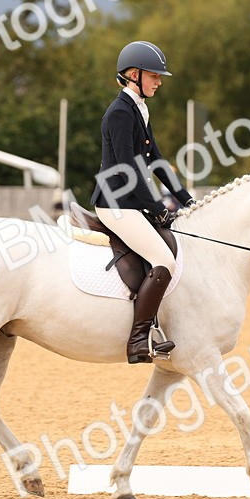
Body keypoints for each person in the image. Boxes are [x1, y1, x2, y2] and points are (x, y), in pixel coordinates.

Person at [90, 40, 195, 364]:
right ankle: (138, 340)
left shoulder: (138, 108)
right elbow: (129, 170)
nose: (159, 82)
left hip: (130, 201)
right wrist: (158, 208)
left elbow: (157, 161)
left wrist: (188, 201)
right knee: (165, 260)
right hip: (116, 203)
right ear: (133, 75)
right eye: (154, 76)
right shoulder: (120, 113)